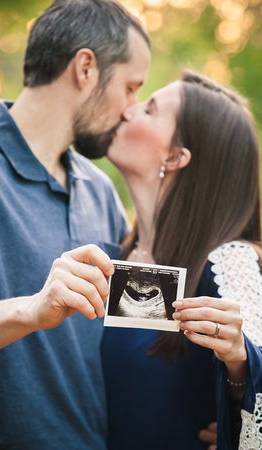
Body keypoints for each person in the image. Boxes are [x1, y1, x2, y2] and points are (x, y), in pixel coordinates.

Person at [0, 0, 151, 448]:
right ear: (85, 68)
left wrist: (219, 404)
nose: (131, 109)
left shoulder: (99, 188)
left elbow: (128, 332)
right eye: (130, 87)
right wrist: (31, 309)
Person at [100, 70, 262, 449]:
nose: (128, 110)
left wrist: (236, 402)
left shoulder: (228, 264)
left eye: (149, 109)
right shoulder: (117, 256)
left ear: (175, 156)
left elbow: (255, 383)